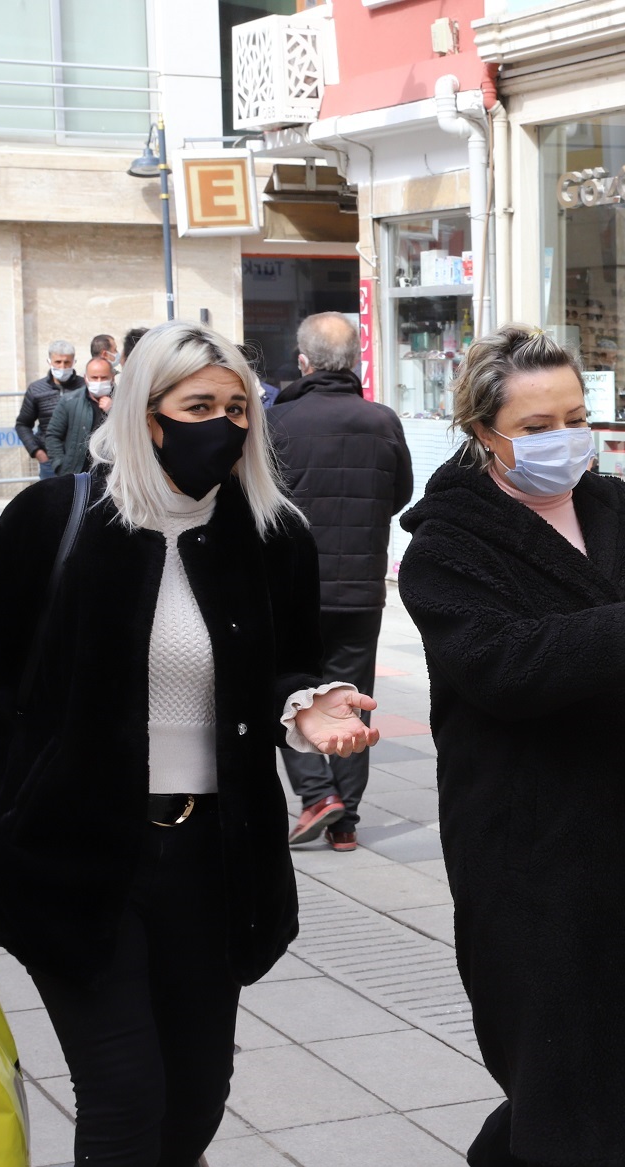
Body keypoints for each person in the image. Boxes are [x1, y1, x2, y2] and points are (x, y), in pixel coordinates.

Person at [0, 320, 383, 1167]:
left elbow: (284, 666)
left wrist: (310, 704)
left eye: (238, 408)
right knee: (123, 1092)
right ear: (143, 413)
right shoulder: (51, 524)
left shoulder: (272, 533)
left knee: (198, 1089)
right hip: (74, 857)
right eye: (198, 407)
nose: (224, 426)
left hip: (212, 860)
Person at [397, 326, 625, 1167]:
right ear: (482, 432)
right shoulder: (447, 546)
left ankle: (514, 1154)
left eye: (577, 417)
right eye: (536, 422)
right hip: (522, 838)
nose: (564, 437)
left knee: (589, 1046)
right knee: (560, 1045)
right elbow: (498, 665)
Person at [267, 313, 412, 849]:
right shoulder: (381, 420)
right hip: (360, 585)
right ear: (354, 361)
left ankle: (316, 795)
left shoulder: (277, 421)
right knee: (353, 697)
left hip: (291, 587)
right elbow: (398, 495)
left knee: (288, 691)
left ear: (303, 363)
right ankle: (346, 820)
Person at [15, 339, 83, 478]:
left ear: (74, 362)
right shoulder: (36, 389)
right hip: (49, 462)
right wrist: (38, 452)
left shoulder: (84, 387)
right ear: (49, 361)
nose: (62, 366)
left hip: (80, 461)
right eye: (58, 362)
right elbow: (23, 424)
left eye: (67, 362)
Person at [42, 356, 115, 477]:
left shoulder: (124, 401)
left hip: (112, 475)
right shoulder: (69, 401)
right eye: (94, 378)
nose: (99, 381)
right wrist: (60, 465)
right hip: (77, 474)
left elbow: (132, 433)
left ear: (112, 378)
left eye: (104, 378)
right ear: (86, 378)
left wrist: (113, 410)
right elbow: (53, 435)